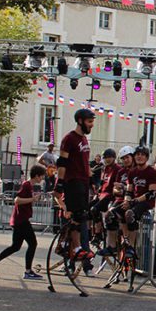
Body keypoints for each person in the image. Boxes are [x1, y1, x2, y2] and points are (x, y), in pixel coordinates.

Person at [0, 165, 46, 280]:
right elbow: (17, 200)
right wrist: (32, 199)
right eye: (41, 176)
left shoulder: (29, 186)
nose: (42, 179)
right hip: (21, 220)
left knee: (15, 246)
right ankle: (28, 271)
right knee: (32, 243)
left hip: (20, 219)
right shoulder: (27, 185)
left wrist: (32, 198)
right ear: (37, 175)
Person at [53, 109, 95, 264]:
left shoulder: (84, 140)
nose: (91, 125)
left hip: (83, 181)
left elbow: (85, 164)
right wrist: (59, 185)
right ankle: (75, 248)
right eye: (89, 122)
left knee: (82, 215)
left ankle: (68, 245)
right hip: (73, 181)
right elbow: (62, 163)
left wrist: (92, 182)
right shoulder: (69, 139)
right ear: (80, 121)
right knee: (77, 215)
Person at [122, 145, 156, 255]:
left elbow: (151, 194)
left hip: (146, 203)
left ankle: (130, 246)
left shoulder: (152, 172)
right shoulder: (132, 172)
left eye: (142, 155)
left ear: (147, 157)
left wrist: (134, 201)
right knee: (112, 214)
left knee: (130, 214)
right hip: (134, 201)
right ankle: (116, 243)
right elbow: (129, 191)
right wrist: (126, 201)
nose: (139, 157)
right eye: (137, 154)